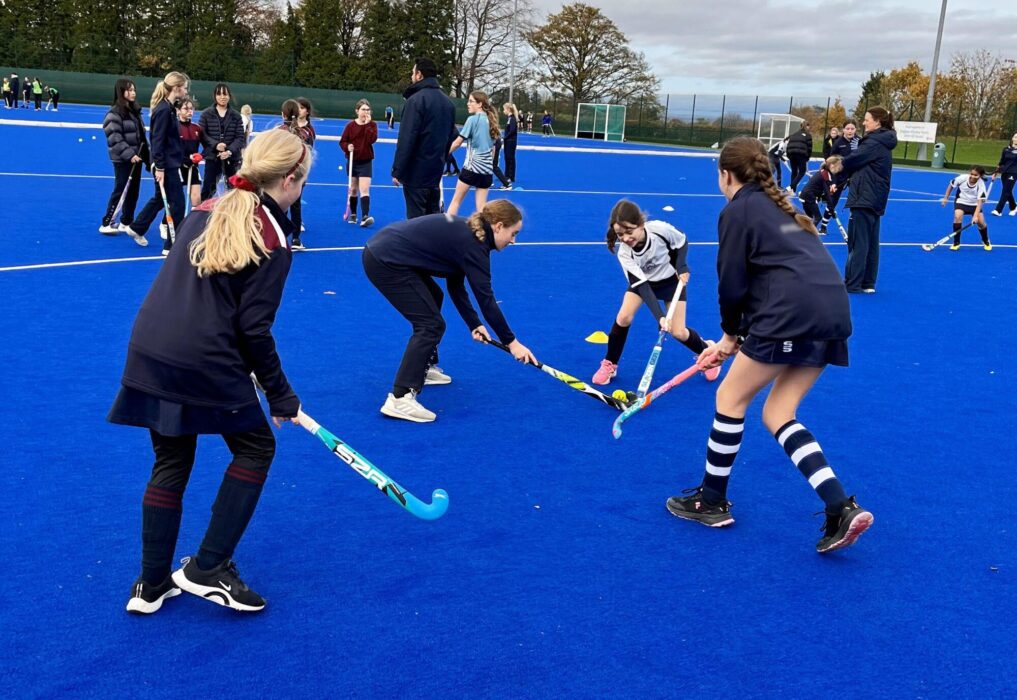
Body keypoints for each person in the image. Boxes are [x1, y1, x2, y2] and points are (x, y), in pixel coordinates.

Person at [110, 128, 310, 615]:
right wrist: (282, 397)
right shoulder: (273, 237)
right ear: (289, 180)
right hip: (202, 357)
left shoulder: (208, 207)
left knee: (172, 459)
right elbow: (253, 332)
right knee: (256, 446)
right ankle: (208, 568)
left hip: (150, 346)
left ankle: (152, 583)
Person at [665, 136, 871, 554]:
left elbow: (733, 284)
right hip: (832, 314)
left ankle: (711, 498)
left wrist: (728, 336)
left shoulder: (737, 209)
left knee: (729, 396)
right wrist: (741, 337)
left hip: (790, 315)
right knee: (778, 412)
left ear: (725, 174)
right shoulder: (786, 206)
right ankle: (840, 507)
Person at [362, 200, 537, 423]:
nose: (514, 240)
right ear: (499, 226)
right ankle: (400, 397)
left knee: (434, 298)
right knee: (431, 324)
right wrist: (511, 342)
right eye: (513, 233)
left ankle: (423, 367)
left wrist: (474, 324)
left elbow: (456, 284)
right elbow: (487, 300)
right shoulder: (474, 246)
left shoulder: (472, 235)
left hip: (387, 252)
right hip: (385, 260)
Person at [591, 199, 721, 386]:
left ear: (641, 225)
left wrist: (681, 265)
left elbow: (681, 241)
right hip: (645, 283)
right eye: (620, 234)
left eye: (629, 231)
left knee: (679, 332)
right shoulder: (625, 254)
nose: (626, 238)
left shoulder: (660, 229)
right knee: (624, 317)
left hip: (671, 282)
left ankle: (707, 351)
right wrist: (660, 317)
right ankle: (610, 363)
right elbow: (642, 287)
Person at [124, 72, 189, 253]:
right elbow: (157, 140)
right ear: (176, 88)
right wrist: (159, 167)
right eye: (184, 87)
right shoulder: (163, 110)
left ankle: (137, 227)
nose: (185, 91)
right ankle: (171, 245)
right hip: (166, 165)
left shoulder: (168, 108)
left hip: (169, 162)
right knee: (178, 204)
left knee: (161, 198)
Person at [838, 107, 897, 294]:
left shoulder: (873, 142)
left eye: (867, 119)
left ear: (877, 121)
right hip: (875, 197)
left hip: (864, 197)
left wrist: (832, 164)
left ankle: (853, 283)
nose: (863, 123)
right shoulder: (883, 141)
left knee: (858, 241)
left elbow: (851, 161)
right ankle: (868, 283)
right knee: (871, 241)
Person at [391, 58, 457, 219]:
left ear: (419, 75)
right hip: (435, 173)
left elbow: (407, 138)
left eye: (413, 73)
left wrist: (397, 170)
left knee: (415, 224)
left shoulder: (415, 101)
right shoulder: (448, 104)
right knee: (432, 222)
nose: (411, 76)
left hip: (416, 175)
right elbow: (451, 136)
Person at [100, 79, 150, 237]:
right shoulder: (113, 113)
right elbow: (114, 138)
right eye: (129, 90)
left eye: (134, 90)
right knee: (121, 189)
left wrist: (147, 158)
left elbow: (141, 137)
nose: (133, 93)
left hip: (137, 158)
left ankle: (126, 221)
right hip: (123, 159)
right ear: (121, 92)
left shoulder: (134, 111)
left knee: (133, 191)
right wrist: (130, 154)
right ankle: (107, 222)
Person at [446, 91, 498, 216]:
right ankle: (484, 234)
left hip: (471, 169)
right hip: (486, 172)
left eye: (471, 101)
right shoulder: (492, 121)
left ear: (480, 104)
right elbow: (493, 149)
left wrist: (442, 155)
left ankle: (447, 230)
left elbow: (458, 142)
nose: (468, 104)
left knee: (455, 202)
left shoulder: (472, 120)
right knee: (481, 208)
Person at [198, 83, 245, 202]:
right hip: (212, 158)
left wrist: (229, 151)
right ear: (215, 96)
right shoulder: (206, 114)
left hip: (232, 159)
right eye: (219, 94)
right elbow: (202, 134)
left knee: (233, 191)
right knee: (208, 190)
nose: (222, 97)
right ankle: (202, 217)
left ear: (229, 96)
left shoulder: (236, 116)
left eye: (225, 94)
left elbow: (240, 137)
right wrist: (215, 145)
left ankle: (232, 217)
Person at [278, 98, 315, 248]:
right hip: (297, 172)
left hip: (284, 172)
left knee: (283, 204)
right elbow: (308, 154)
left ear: (283, 114)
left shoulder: (281, 131)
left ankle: (282, 237)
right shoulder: (304, 132)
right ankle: (295, 238)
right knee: (295, 204)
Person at [339, 98, 379, 227]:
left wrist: (367, 125)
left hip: (366, 161)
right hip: (352, 161)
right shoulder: (350, 126)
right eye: (363, 109)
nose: (366, 112)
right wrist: (347, 147)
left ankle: (365, 216)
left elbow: (371, 140)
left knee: (365, 189)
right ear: (357, 111)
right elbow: (343, 141)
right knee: (354, 189)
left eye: (368, 110)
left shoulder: (372, 125)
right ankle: (354, 213)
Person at [942, 166, 991, 251]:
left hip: (975, 204)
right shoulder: (962, 178)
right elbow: (951, 185)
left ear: (980, 176)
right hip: (961, 201)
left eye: (975, 175)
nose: (972, 176)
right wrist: (946, 198)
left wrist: (975, 216)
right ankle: (956, 243)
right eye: (971, 174)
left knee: (981, 223)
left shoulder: (981, 184)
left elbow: (980, 202)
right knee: (958, 216)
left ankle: (985, 240)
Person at [799, 156, 843, 234]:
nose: (838, 170)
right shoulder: (826, 175)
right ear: (832, 166)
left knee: (810, 218)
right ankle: (807, 235)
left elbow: (826, 188)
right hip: (809, 196)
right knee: (818, 218)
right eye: (838, 167)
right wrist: (831, 208)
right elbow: (827, 193)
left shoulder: (823, 172)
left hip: (804, 195)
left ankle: (803, 233)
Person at [177, 98, 203, 211]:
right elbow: (172, 150)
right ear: (178, 111)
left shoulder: (197, 128)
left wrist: (201, 156)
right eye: (186, 108)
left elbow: (208, 146)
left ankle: (192, 224)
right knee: (176, 200)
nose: (189, 111)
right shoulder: (174, 127)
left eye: (191, 109)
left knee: (197, 198)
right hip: (177, 166)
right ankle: (165, 224)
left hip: (193, 167)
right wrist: (186, 159)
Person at [990, 132, 1017, 216]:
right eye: (1015, 137)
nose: (1016, 139)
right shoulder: (1006, 149)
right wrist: (995, 172)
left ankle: (998, 210)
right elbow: (1002, 162)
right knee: (1007, 190)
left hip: (1014, 172)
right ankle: (1013, 207)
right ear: (1012, 138)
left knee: (1005, 191)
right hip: (1004, 172)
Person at [785, 122, 812, 192]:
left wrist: (788, 155)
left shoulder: (793, 134)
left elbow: (788, 145)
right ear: (807, 127)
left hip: (791, 154)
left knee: (794, 172)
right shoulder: (808, 135)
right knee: (802, 171)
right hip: (801, 154)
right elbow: (809, 147)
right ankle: (791, 186)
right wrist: (807, 158)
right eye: (808, 126)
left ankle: (793, 191)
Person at [500, 103, 519, 187]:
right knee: (507, 157)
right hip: (508, 141)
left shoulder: (513, 119)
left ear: (508, 109)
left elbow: (512, 131)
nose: (503, 111)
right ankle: (506, 174)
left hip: (511, 141)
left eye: (504, 109)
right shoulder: (509, 118)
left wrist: (504, 138)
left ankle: (511, 176)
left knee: (510, 158)